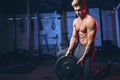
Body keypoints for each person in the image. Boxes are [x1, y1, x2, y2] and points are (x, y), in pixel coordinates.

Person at [65, 0, 98, 80]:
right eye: (75, 10)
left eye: (79, 10)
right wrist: (69, 49)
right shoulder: (76, 21)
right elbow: (74, 37)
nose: (78, 13)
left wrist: (83, 57)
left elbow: (90, 42)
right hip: (79, 46)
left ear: (84, 7)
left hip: (88, 48)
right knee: (61, 55)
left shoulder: (90, 21)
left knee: (86, 76)